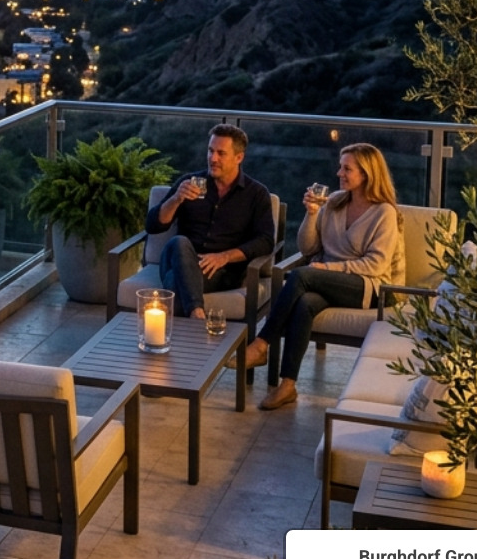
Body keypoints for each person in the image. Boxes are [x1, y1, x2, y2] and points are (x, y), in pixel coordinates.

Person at [238, 143, 403, 411]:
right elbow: (307, 248)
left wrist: (328, 269)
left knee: (303, 276)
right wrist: (312, 214)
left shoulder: (384, 212)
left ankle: (261, 343)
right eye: (340, 167)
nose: (339, 173)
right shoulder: (336, 202)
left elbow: (376, 264)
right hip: (326, 280)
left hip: (368, 287)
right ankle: (288, 385)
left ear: (367, 174)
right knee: (305, 305)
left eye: (347, 169)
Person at [146, 125, 275, 321]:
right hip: (179, 257)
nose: (213, 158)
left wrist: (224, 256)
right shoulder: (189, 183)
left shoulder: (256, 194)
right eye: (210, 151)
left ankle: (185, 333)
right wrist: (176, 199)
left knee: (174, 282)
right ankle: (197, 314)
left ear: (239, 157)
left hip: (219, 271)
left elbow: (265, 241)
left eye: (221, 153)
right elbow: (153, 225)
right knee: (179, 242)